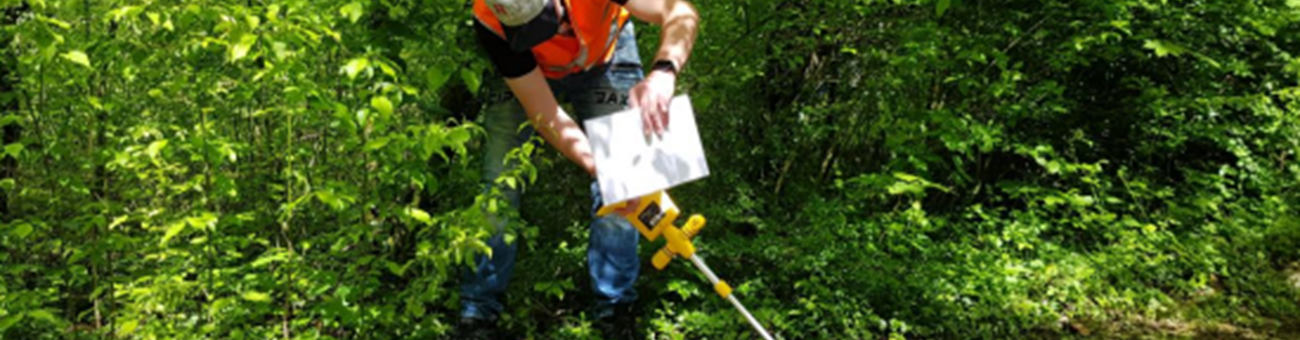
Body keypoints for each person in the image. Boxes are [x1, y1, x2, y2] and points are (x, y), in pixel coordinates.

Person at [457, 0, 699, 338]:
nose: (552, 35)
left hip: (607, 55)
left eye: (547, 22)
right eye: (528, 32)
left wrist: (664, 72)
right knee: (499, 185)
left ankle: (615, 311)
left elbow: (680, 12)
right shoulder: (490, 21)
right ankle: (477, 315)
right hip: (532, 75)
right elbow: (545, 113)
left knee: (628, 186)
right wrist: (598, 166)